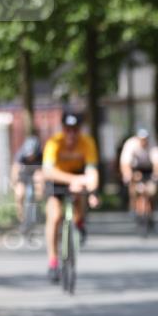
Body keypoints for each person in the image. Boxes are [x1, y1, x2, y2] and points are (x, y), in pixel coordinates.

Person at [42, 113, 99, 283]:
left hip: (78, 177)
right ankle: (53, 261)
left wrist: (93, 191)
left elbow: (92, 172)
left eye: (75, 130)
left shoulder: (87, 142)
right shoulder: (53, 143)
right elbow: (47, 171)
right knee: (55, 217)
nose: (72, 135)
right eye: (68, 130)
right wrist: (74, 180)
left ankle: (79, 221)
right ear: (63, 129)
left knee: (79, 193)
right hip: (57, 179)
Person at [119, 128, 158, 226]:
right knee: (133, 188)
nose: (143, 141)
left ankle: (151, 212)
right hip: (136, 169)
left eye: (145, 139)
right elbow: (125, 163)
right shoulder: (130, 144)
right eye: (141, 139)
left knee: (152, 191)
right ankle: (133, 207)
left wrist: (156, 175)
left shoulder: (153, 145)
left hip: (149, 169)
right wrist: (127, 174)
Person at [11, 130, 43, 223]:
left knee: (38, 179)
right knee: (19, 194)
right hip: (23, 175)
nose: (30, 157)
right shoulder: (20, 154)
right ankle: (21, 218)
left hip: (35, 175)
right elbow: (15, 169)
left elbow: (45, 171)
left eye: (32, 155)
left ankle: (37, 208)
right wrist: (14, 183)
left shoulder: (41, 155)